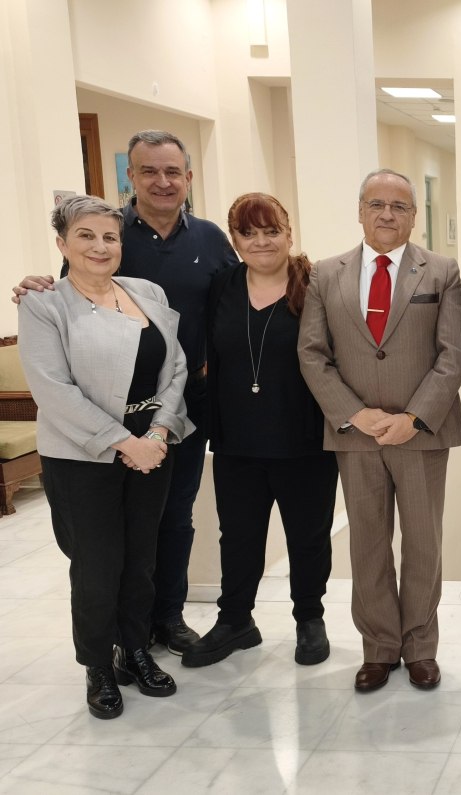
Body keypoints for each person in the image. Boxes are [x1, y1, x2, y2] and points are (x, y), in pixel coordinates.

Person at [13, 130, 239, 655]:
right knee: (106, 540)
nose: (162, 181)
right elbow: (69, 301)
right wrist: (32, 284)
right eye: (149, 171)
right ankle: (118, 638)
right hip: (101, 415)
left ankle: (167, 618)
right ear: (130, 177)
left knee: (173, 518)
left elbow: (236, 301)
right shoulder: (110, 231)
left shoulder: (209, 239)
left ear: (188, 178)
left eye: (172, 171)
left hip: (178, 405)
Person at [19, 195, 194, 719]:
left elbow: (176, 368)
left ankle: (134, 651)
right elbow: (53, 390)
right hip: (84, 454)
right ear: (62, 244)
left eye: (110, 237)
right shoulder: (45, 304)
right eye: (86, 235)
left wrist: (158, 432)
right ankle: (98, 665)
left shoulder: (147, 292)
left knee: (141, 559)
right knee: (97, 566)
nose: (100, 246)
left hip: (152, 447)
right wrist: (125, 442)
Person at [299, 168, 461, 693]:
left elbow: (453, 354)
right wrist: (355, 414)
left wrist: (413, 417)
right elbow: (312, 354)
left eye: (399, 206)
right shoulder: (325, 274)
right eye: (377, 204)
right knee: (368, 544)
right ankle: (378, 648)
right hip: (356, 436)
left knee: (423, 544)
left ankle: (419, 647)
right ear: (360, 211)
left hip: (421, 434)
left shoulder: (441, 272)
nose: (387, 214)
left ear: (414, 216)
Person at [182, 193, 338, 669]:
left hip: (305, 438)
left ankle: (309, 619)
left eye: (272, 231)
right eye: (248, 233)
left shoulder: (316, 285)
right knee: (239, 536)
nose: (261, 241)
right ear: (234, 240)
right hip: (236, 439)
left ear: (289, 233)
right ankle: (236, 621)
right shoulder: (221, 286)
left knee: (308, 537)